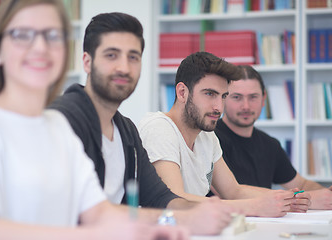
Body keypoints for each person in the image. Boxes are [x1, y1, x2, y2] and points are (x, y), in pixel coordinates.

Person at [0, 1, 189, 239]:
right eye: (23, 34)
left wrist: (162, 226)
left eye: (53, 36)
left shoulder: (57, 127)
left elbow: (98, 212)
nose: (40, 47)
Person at [49, 12, 235, 235]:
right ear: (87, 62)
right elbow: (83, 213)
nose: (124, 68)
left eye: (133, 57)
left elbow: (159, 198)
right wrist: (184, 218)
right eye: (111, 55)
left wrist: (205, 211)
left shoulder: (126, 131)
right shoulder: (62, 121)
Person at [138, 52, 311, 218]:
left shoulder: (207, 136)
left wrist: (284, 199)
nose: (218, 108)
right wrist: (254, 206)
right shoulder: (158, 128)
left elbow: (233, 191)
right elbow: (174, 199)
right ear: (182, 92)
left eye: (223, 96)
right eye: (209, 94)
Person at [214, 64, 332, 210]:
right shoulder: (210, 139)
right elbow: (231, 192)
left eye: (253, 97)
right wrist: (306, 199)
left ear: (264, 99)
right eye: (237, 97)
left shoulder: (270, 145)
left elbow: (301, 185)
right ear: (223, 98)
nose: (246, 106)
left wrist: (326, 193)